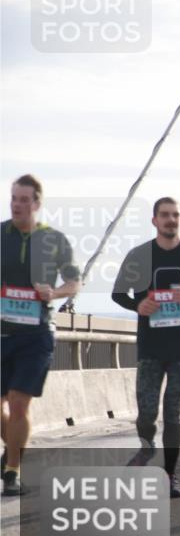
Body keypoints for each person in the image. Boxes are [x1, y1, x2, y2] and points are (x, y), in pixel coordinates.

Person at [112, 197, 180, 498]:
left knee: (172, 413)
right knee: (147, 413)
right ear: (154, 220)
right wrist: (139, 305)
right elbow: (118, 293)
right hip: (151, 346)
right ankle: (146, 450)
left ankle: (170, 475)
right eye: (165, 215)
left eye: (175, 215)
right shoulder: (140, 256)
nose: (170, 219)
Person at [1, 174, 80, 496]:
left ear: (36, 203)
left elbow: (74, 282)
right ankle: (17, 446)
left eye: (23, 199)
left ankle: (11, 472)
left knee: (19, 404)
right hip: (2, 332)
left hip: (36, 335)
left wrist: (54, 292)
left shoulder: (55, 240)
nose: (17, 204)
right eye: (13, 198)